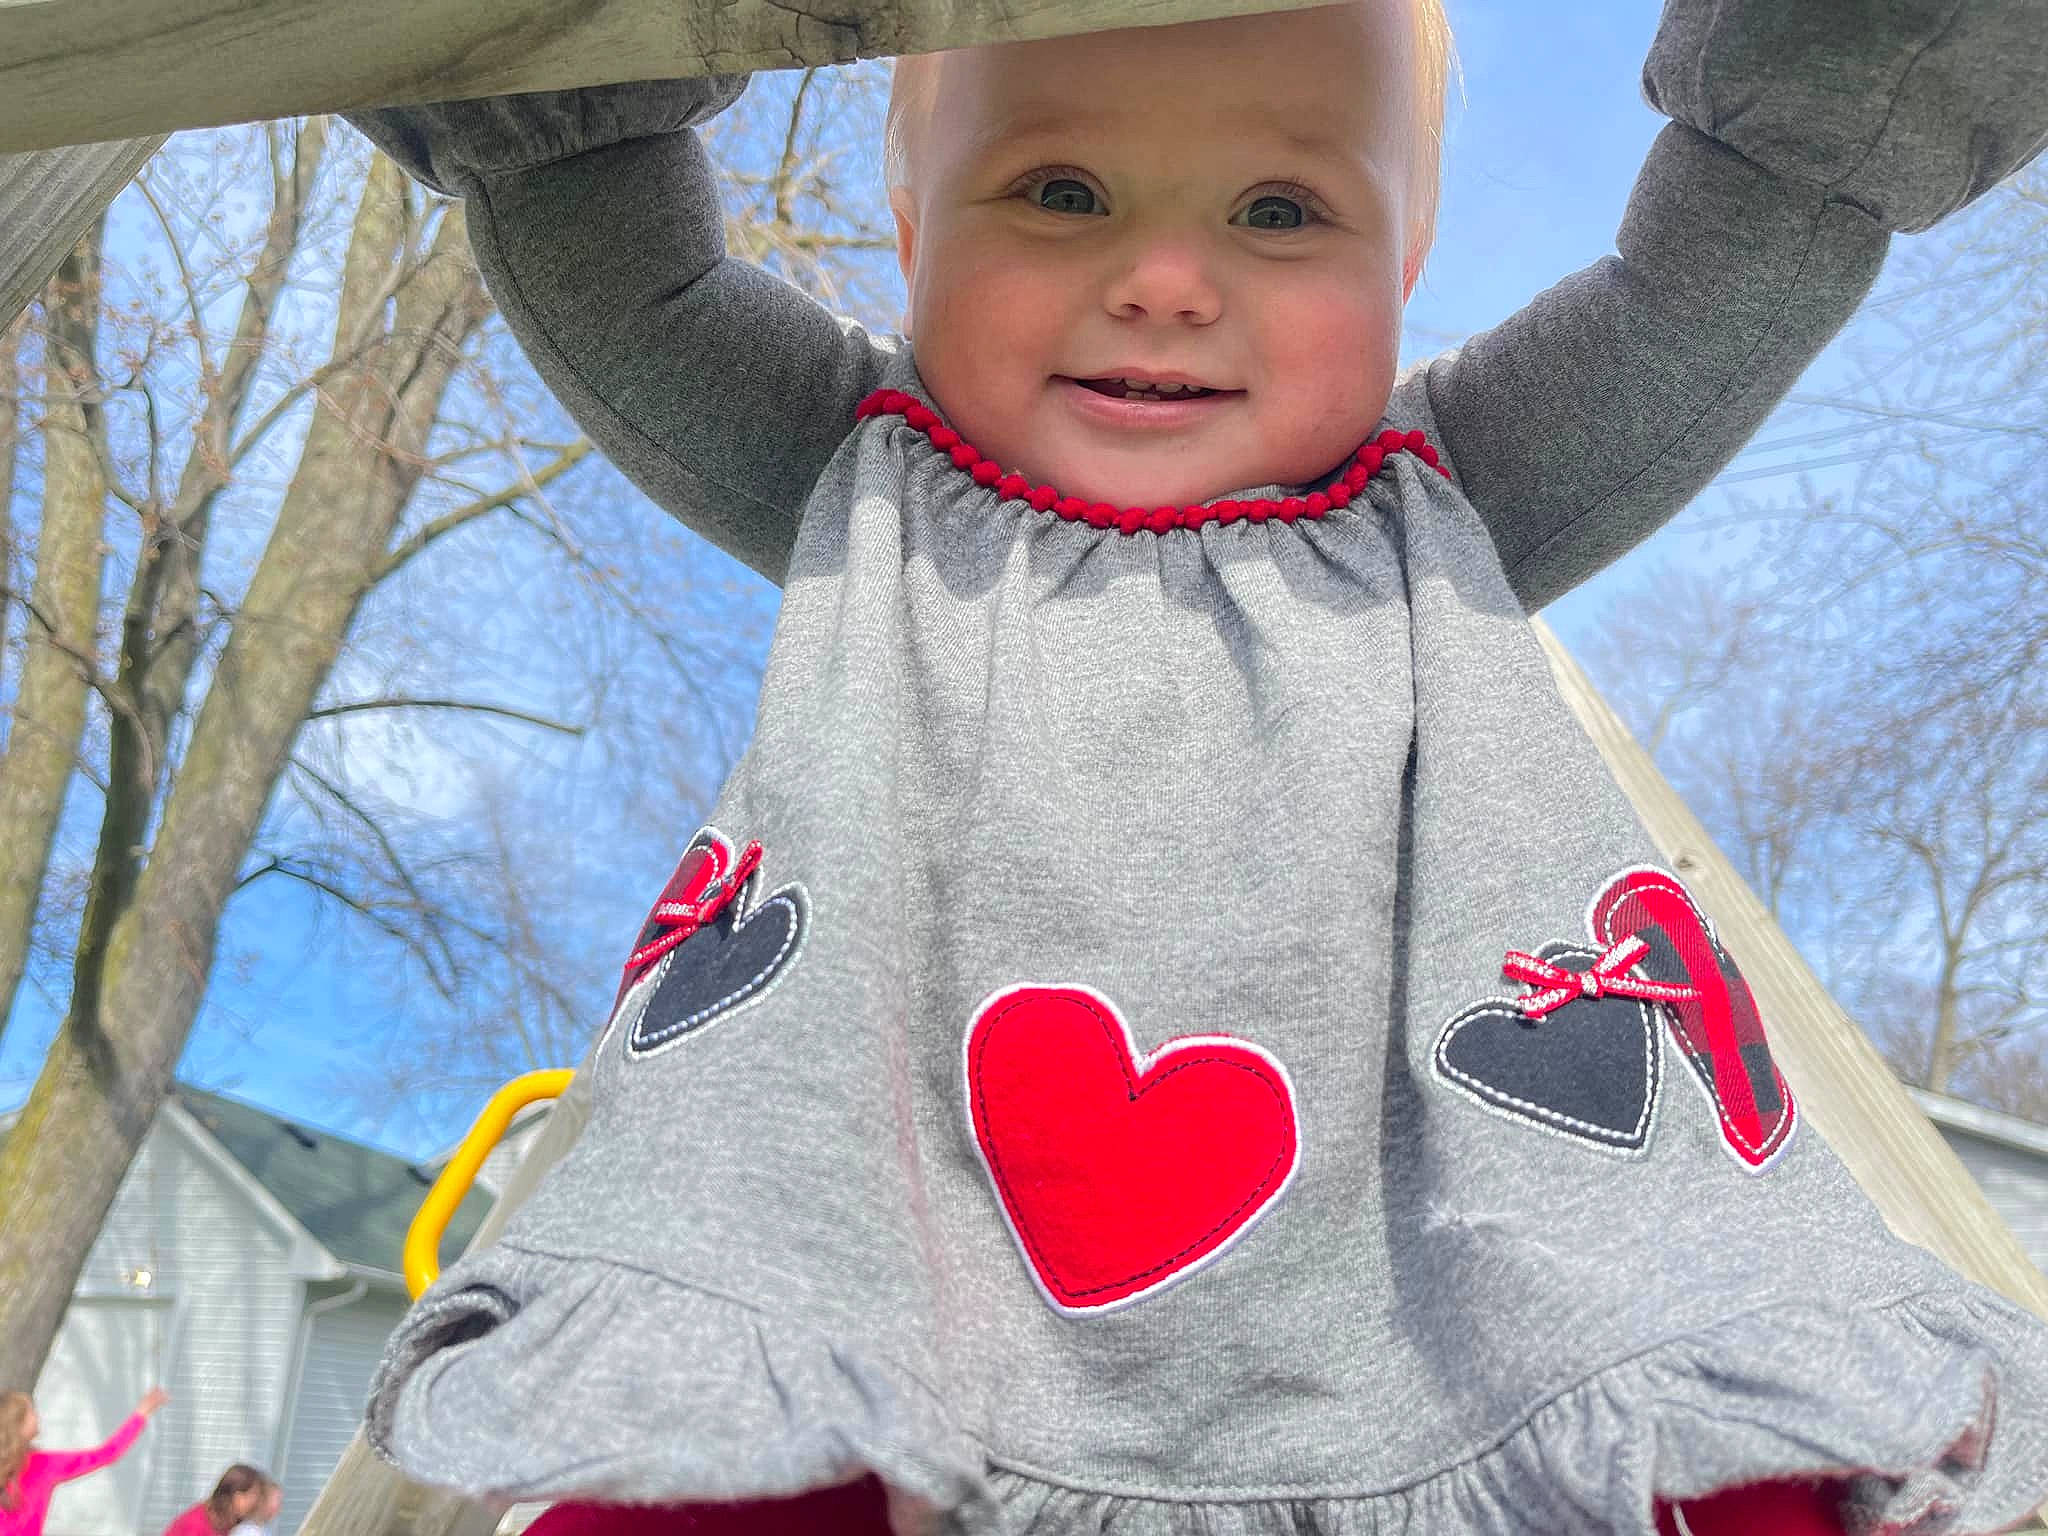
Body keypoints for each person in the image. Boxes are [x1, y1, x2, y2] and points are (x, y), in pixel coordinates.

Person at [346, 0, 2048, 1531]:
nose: (1164, 274)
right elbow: (605, 244)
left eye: (1280, 210)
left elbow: (1702, 288)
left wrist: (1849, 70)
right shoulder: (864, 478)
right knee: (727, 1432)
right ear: (911, 218)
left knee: (1679, 1382)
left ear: (1405, 258)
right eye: (1061, 191)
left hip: (1431, 1258)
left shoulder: (1435, 500)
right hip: (871, 1234)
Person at [0, 1387, 169, 1536]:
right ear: (19, 1426)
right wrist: (141, 1413)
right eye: (32, 1411)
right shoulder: (44, 1465)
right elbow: (107, 1454)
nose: (37, 1415)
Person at [161, 1466, 265, 1536]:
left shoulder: (229, 1525)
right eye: (252, 1495)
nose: (256, 1502)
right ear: (236, 1495)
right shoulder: (196, 1524)